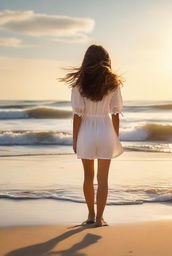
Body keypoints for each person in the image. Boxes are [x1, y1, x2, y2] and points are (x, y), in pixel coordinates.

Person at [59, 44, 124, 227]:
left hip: (86, 132)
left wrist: (75, 139)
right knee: (103, 179)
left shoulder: (80, 84)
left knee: (88, 177)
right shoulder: (113, 83)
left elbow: (77, 114)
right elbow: (116, 113)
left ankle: (90, 215)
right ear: (106, 60)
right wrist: (115, 137)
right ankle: (99, 219)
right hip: (105, 130)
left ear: (86, 60)